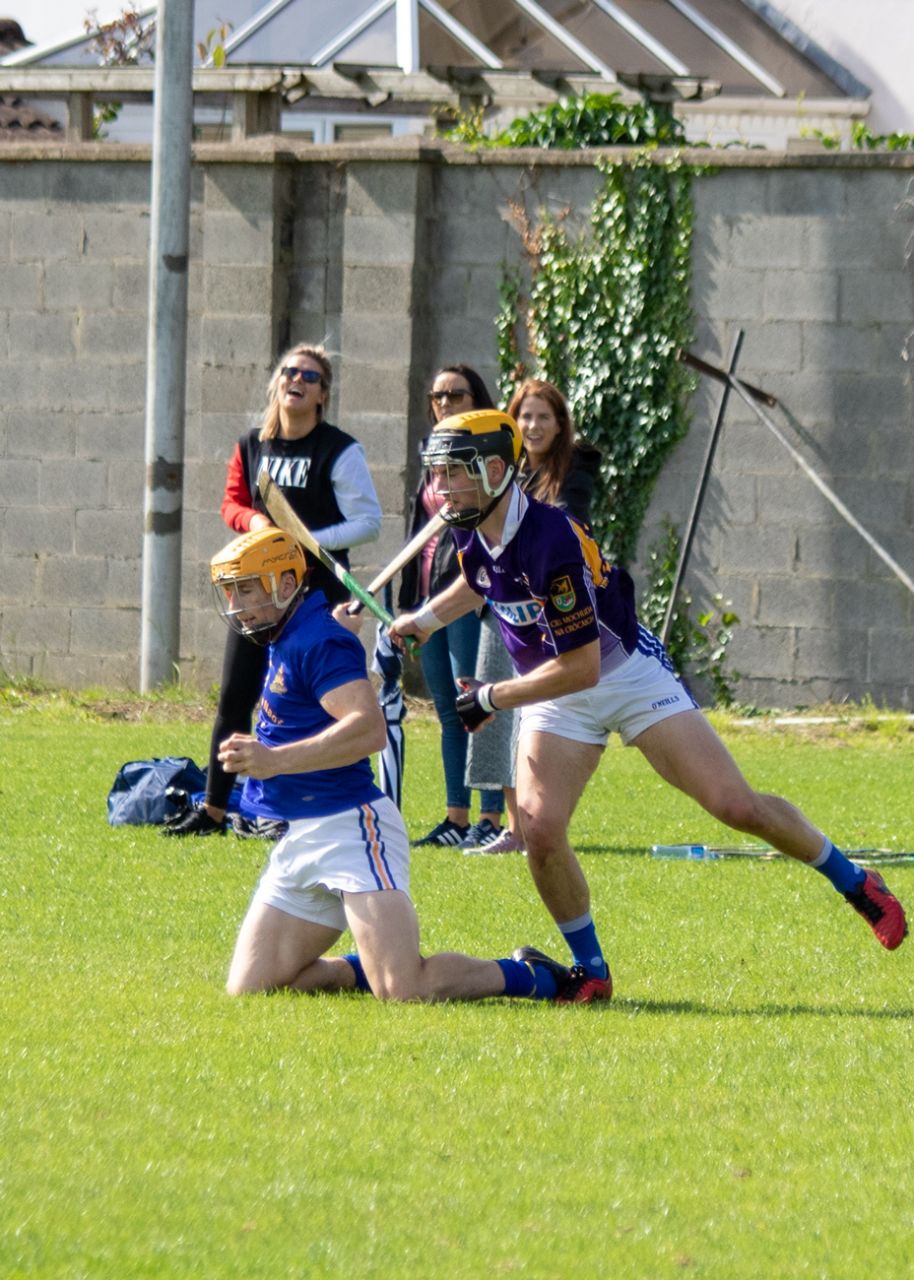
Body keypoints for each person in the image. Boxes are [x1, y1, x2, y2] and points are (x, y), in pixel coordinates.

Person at [390, 408, 908, 1002]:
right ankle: (592, 972)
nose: (441, 488)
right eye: (440, 474)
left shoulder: (550, 538)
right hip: (553, 688)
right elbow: (481, 579)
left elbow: (581, 666)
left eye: (455, 472)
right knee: (540, 827)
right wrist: (425, 620)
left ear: (498, 470)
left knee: (736, 806)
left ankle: (855, 881)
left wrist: (491, 695)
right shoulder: (472, 523)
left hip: (621, 671)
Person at [208, 525, 582, 1004]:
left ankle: (531, 975)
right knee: (251, 988)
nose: (237, 604)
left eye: (246, 589)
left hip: (350, 829)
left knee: (406, 990)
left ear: (285, 585)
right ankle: (370, 966)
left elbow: (368, 730)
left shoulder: (319, 640)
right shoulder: (294, 631)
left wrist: (273, 759)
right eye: (231, 592)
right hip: (301, 834)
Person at [164, 343, 382, 837]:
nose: (296, 380)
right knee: (236, 696)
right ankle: (216, 809)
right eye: (289, 372)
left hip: (316, 598)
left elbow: (367, 523)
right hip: (257, 597)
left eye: (309, 375)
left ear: (323, 393)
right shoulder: (251, 444)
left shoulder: (340, 450)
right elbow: (231, 504)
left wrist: (302, 544)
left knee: (314, 703)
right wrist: (256, 522)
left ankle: (305, 806)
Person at [463, 378, 601, 854]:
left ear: (560, 424)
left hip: (549, 612)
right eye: (525, 416)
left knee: (533, 710)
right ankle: (514, 829)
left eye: (544, 416)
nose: (534, 425)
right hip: (502, 605)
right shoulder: (503, 472)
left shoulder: (576, 468)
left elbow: (564, 520)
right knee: (501, 709)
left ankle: (534, 821)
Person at [398, 364, 504, 848]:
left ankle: (491, 817)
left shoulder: (487, 454)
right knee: (445, 709)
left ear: (475, 400)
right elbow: (420, 535)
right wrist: (407, 598)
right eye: (437, 395)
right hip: (428, 591)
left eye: (455, 395)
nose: (443, 403)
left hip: (466, 592)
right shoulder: (432, 455)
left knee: (473, 705)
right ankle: (456, 818)